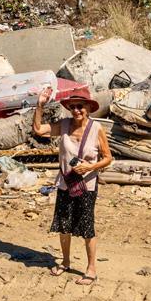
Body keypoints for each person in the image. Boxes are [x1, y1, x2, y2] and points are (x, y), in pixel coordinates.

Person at [33, 87, 112, 284]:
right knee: (64, 225)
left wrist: (90, 167)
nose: (76, 110)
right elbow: (38, 130)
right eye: (73, 107)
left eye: (80, 106)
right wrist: (40, 105)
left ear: (88, 108)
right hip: (65, 184)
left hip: (87, 186)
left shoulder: (97, 129)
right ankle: (65, 262)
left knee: (87, 227)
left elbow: (108, 157)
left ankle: (91, 269)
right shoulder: (64, 125)